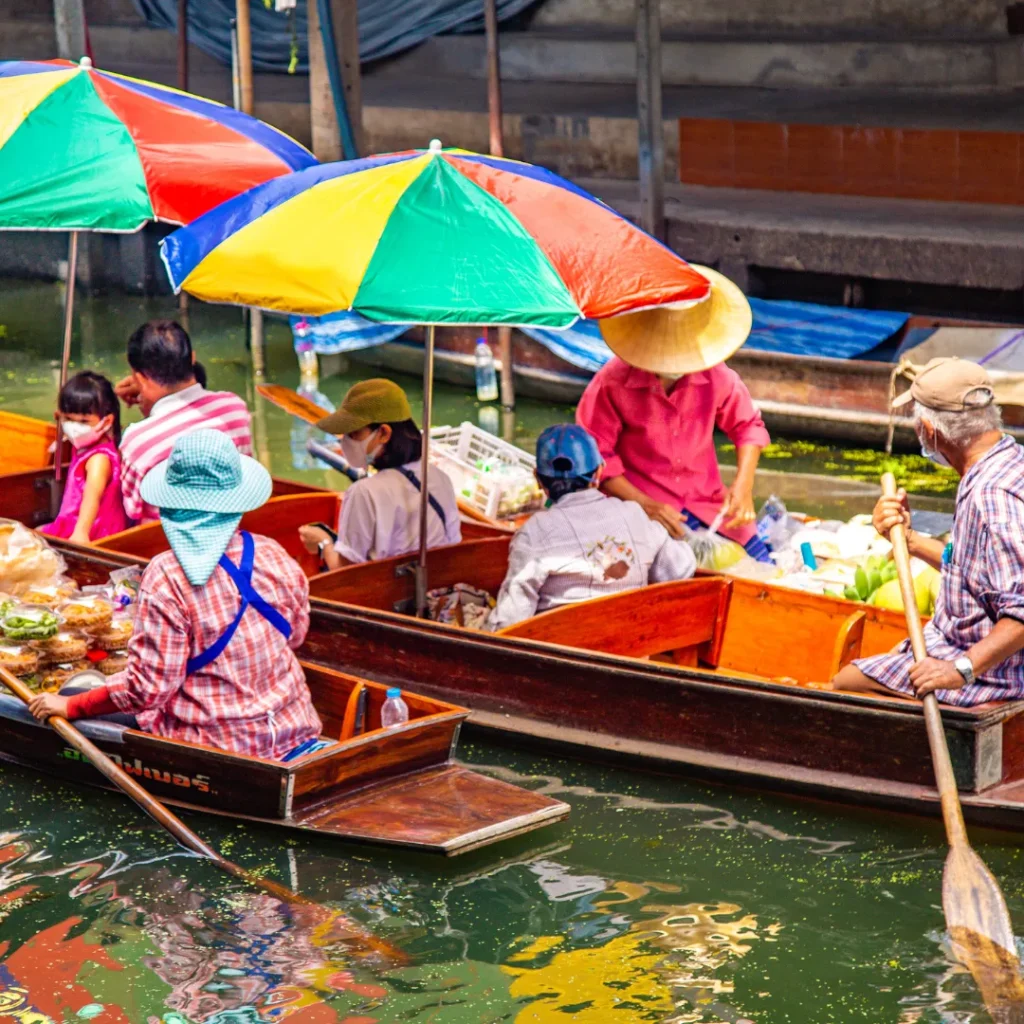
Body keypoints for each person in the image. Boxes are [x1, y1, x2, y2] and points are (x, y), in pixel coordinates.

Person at [30, 430, 322, 760]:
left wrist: (72, 703)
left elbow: (146, 691)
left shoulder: (167, 575)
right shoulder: (273, 553)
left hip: (216, 745)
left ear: (173, 507)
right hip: (295, 724)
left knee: (72, 689)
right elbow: (295, 636)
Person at [832, 357, 1024, 705]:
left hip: (996, 673)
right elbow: (974, 573)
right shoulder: (1009, 460)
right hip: (964, 647)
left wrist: (961, 669)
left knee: (846, 684)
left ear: (930, 430)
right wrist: (909, 539)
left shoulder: (990, 498)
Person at [576, 265, 771, 560]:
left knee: (760, 566)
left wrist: (743, 485)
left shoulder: (715, 373)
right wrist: (644, 504)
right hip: (640, 508)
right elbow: (596, 457)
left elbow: (748, 427)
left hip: (709, 504)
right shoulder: (612, 382)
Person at [488, 424, 697, 631]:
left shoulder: (534, 532)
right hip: (632, 649)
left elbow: (510, 621)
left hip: (560, 657)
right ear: (598, 473)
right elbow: (679, 569)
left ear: (538, 479)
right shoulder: (634, 514)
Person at [299, 379, 461, 569]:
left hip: (388, 594)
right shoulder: (440, 478)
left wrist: (324, 541)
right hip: (437, 587)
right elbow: (453, 544)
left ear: (383, 433)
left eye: (354, 434)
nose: (345, 443)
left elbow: (344, 571)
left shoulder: (363, 492)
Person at [116, 320, 252, 523]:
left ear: (139, 377)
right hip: (230, 528)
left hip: (164, 546)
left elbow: (132, 511)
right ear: (193, 359)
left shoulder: (136, 441)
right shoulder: (234, 408)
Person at [39, 371, 128, 543]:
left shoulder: (98, 460)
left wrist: (81, 532)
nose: (74, 427)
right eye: (68, 419)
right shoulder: (85, 446)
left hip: (91, 530)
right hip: (69, 522)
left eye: (84, 422)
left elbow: (92, 497)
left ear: (107, 421)